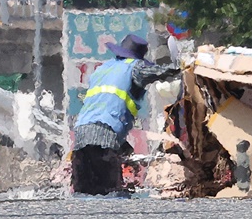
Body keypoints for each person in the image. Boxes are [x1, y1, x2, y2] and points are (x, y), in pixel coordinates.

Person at [71, 33, 181, 196]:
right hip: (104, 141)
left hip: (80, 138)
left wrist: (123, 146)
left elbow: (101, 114)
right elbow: (159, 72)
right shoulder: (135, 67)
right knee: (111, 195)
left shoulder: (102, 69)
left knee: (83, 194)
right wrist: (180, 67)